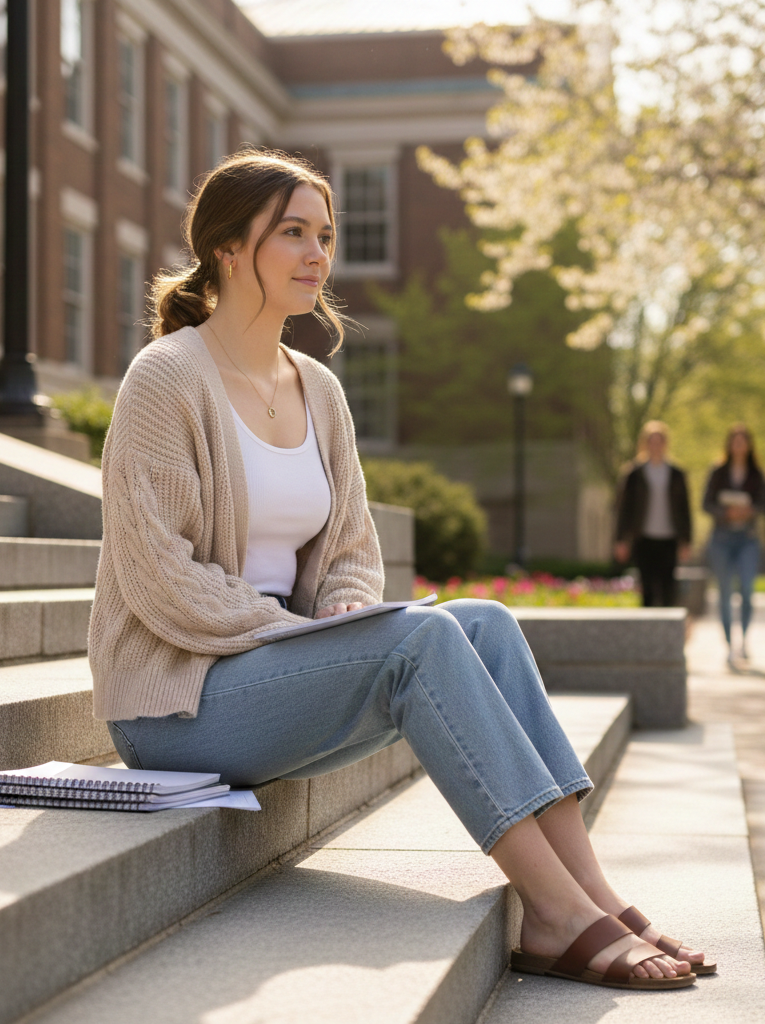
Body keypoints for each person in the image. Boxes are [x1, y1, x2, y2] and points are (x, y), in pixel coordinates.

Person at [89, 149, 712, 989]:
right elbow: (159, 571)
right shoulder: (165, 380)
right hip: (181, 698)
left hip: (282, 674)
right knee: (417, 640)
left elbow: (351, 551)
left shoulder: (318, 389)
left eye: (326, 235)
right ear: (229, 249)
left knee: (483, 621)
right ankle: (557, 915)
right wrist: (303, 637)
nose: (318, 254)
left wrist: (337, 627)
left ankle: (590, 892)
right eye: (293, 235)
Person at [703, 424, 765, 666]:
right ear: (729, 444)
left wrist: (749, 511)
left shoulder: (756, 473)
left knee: (747, 590)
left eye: (743, 440)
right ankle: (729, 645)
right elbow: (706, 503)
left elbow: (763, 503)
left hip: (747, 539)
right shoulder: (718, 471)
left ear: (749, 444)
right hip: (721, 539)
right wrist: (725, 513)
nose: (739, 444)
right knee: (725, 593)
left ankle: (744, 642)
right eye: (735, 440)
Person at [614, 422, 692, 606]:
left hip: (669, 538)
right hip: (643, 538)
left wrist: (686, 540)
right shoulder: (634, 473)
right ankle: (648, 632)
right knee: (647, 589)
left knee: (668, 589)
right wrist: (620, 539)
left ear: (666, 443)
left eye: (660, 441)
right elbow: (624, 509)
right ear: (645, 443)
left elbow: (684, 509)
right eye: (652, 441)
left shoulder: (676, 474)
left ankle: (667, 633)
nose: (656, 445)